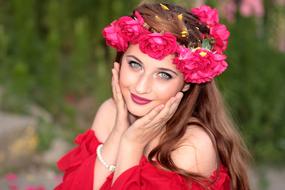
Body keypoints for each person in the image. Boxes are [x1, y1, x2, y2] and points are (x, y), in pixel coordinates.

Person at [55, 2, 250, 190]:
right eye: (135, 64)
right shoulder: (110, 113)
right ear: (120, 62)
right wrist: (118, 133)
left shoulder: (191, 146)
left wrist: (132, 143)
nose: (141, 87)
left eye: (164, 75)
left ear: (187, 83)